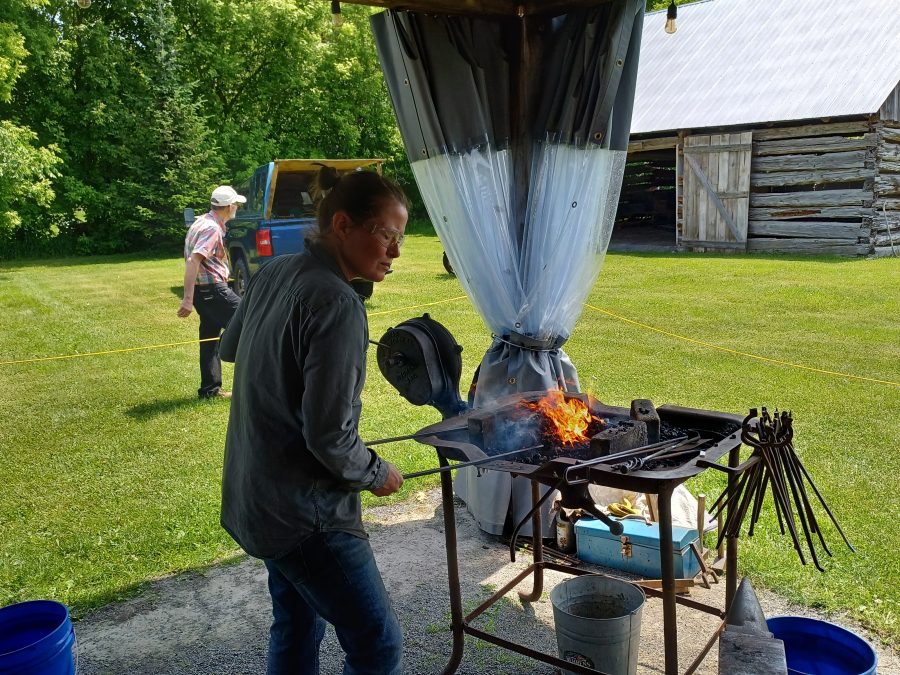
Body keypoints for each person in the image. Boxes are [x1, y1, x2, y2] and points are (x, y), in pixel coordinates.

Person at [219, 167, 408, 675]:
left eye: (401, 239)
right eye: (386, 235)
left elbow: (230, 349)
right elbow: (329, 437)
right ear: (342, 225)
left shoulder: (273, 271)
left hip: (257, 497)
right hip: (306, 516)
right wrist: (376, 472)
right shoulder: (339, 303)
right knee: (377, 645)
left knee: (296, 624)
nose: (395, 252)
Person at [178, 185, 245, 398]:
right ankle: (251, 385)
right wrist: (187, 299)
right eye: (236, 204)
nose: (237, 207)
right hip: (213, 290)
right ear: (229, 207)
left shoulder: (201, 222)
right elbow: (193, 260)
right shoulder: (211, 228)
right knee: (250, 323)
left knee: (209, 337)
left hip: (205, 292)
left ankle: (209, 390)